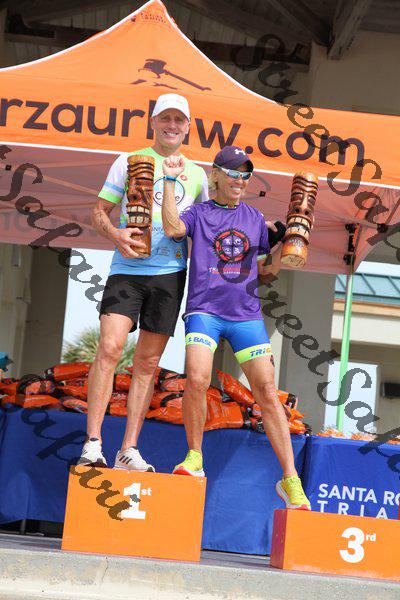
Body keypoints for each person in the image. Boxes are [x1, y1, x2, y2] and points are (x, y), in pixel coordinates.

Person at [161, 145, 311, 510]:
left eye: (246, 175)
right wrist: (167, 180)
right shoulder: (198, 212)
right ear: (215, 175)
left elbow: (266, 271)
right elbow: (172, 228)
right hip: (205, 311)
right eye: (233, 173)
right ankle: (194, 457)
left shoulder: (255, 217)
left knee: (267, 392)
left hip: (246, 315)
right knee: (197, 378)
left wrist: (287, 242)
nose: (241, 180)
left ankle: (290, 479)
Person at [78, 93, 208, 470]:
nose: (172, 125)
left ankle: (128, 449)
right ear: (153, 122)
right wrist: (115, 234)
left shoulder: (198, 174)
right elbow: (98, 212)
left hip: (170, 275)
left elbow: (206, 227)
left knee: (148, 362)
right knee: (109, 348)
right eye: (165, 118)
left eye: (179, 120)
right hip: (127, 270)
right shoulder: (129, 160)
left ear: (188, 126)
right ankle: (92, 443)